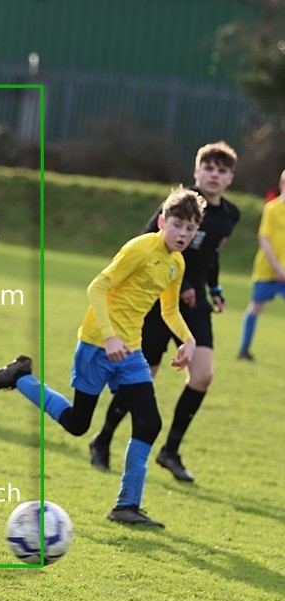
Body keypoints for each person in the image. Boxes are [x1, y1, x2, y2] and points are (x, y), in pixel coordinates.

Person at [0, 187, 205, 528]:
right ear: (162, 221)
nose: (183, 234)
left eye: (190, 229)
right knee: (77, 423)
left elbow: (170, 309)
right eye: (177, 224)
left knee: (149, 422)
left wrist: (189, 341)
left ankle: (126, 506)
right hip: (96, 344)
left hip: (130, 351)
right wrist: (109, 335)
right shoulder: (140, 248)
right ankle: (20, 377)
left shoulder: (177, 263)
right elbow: (97, 287)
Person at [88, 142, 240, 482]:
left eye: (222, 171)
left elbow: (211, 255)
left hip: (194, 306)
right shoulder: (178, 206)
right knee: (144, 378)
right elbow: (148, 245)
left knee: (203, 376)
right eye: (209, 168)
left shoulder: (230, 216)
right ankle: (103, 438)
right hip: (159, 304)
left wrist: (212, 289)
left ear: (230, 178)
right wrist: (174, 282)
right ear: (196, 171)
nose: (214, 176)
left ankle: (170, 451)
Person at [238, 168, 285, 360]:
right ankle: (244, 350)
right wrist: (276, 267)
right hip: (268, 270)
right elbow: (264, 239)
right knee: (255, 308)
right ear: (282, 185)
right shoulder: (272, 208)